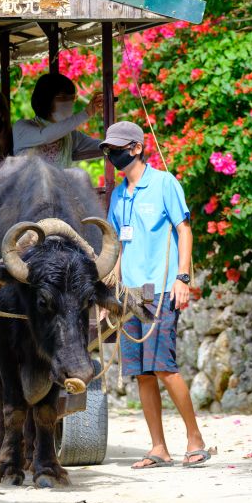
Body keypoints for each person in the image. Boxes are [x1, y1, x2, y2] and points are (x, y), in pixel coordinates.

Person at [102, 120, 210, 469]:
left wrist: (182, 277)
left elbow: (184, 229)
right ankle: (158, 447)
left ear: (136, 147)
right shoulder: (119, 195)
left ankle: (195, 439)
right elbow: (120, 246)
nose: (112, 154)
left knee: (163, 367)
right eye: (109, 149)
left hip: (161, 287)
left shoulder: (164, 183)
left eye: (118, 148)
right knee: (142, 373)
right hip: (130, 293)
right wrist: (110, 296)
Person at [13, 72, 104, 168]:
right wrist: (86, 114)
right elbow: (46, 136)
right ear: (46, 99)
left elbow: (104, 146)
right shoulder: (22, 127)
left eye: (72, 98)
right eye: (63, 98)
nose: (70, 103)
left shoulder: (72, 136)